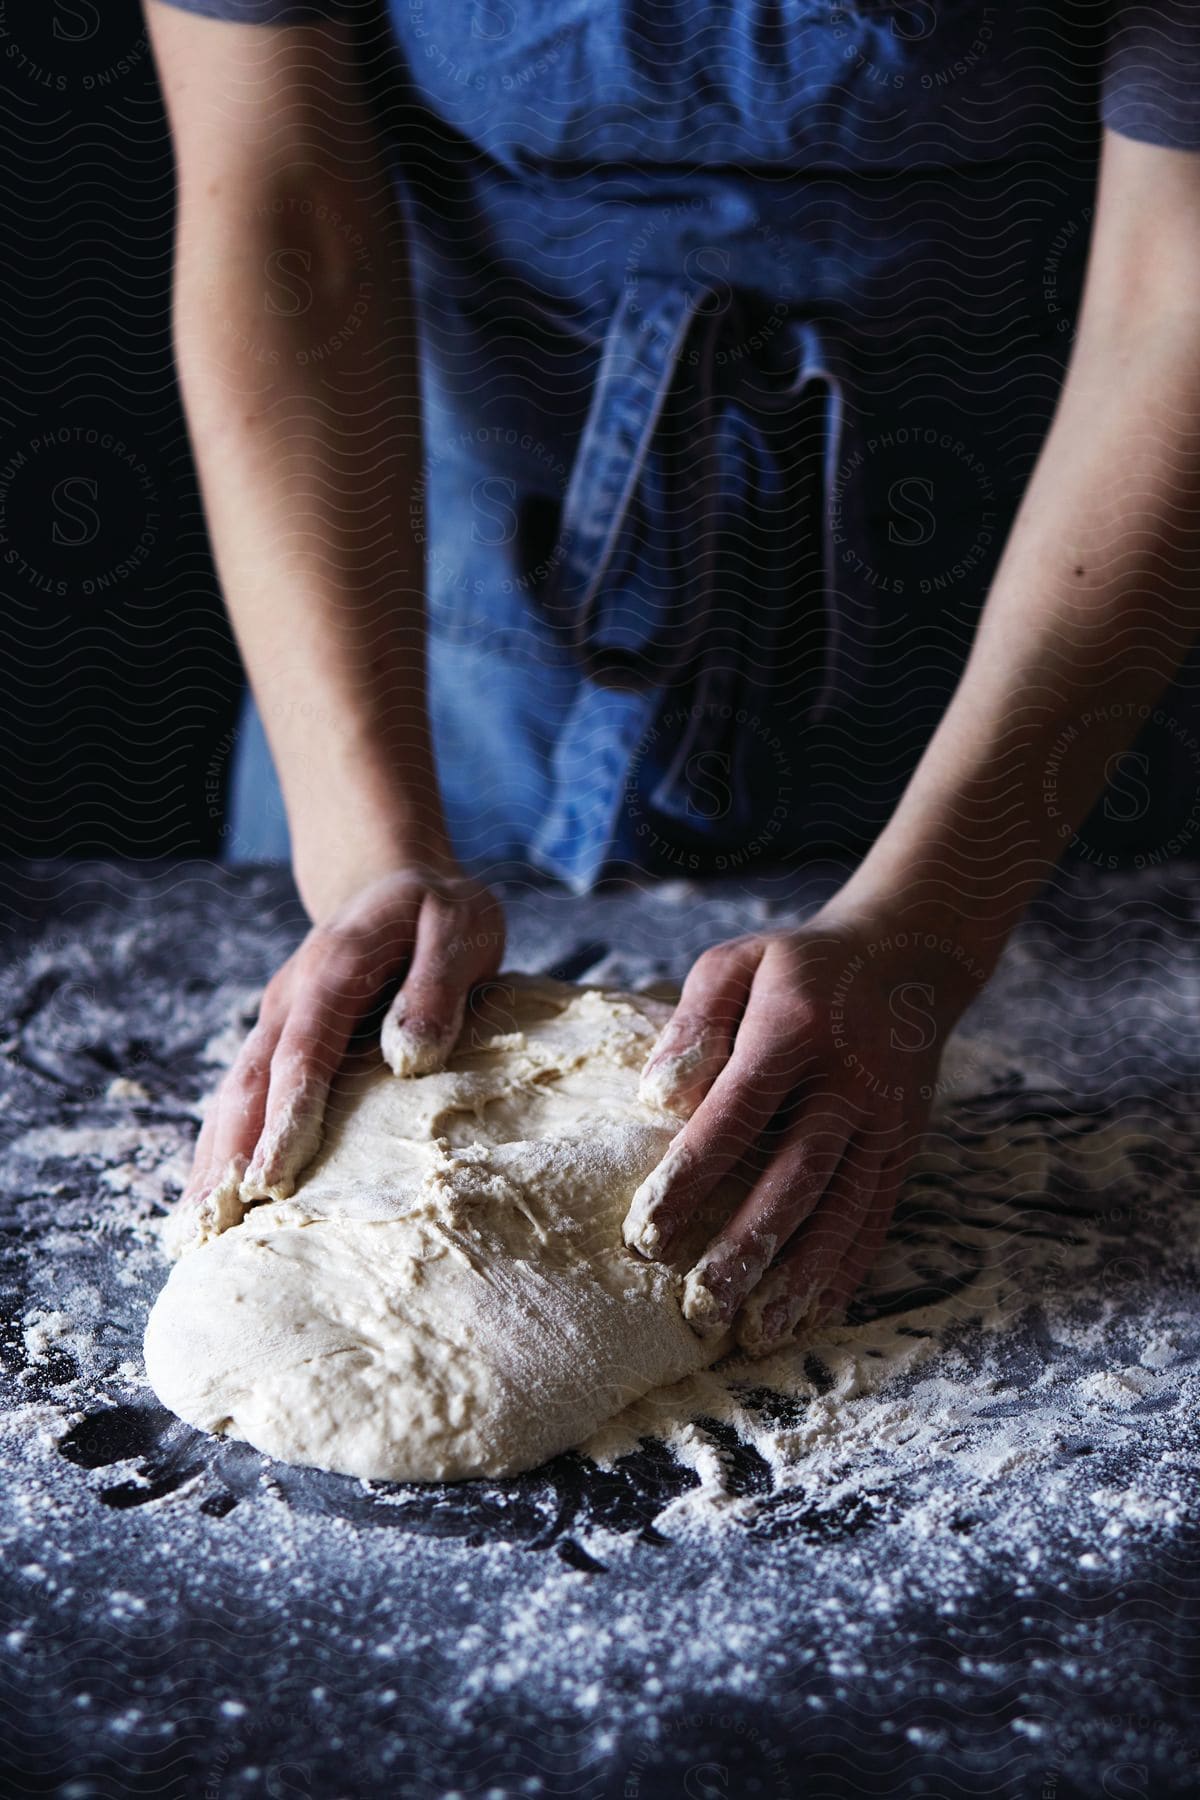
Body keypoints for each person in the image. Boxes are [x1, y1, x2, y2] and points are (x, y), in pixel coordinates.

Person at [147, 0, 1200, 1354]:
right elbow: (281, 206)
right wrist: (365, 853)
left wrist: (938, 928)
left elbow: (1175, 297)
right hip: (456, 639)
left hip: (1038, 636)